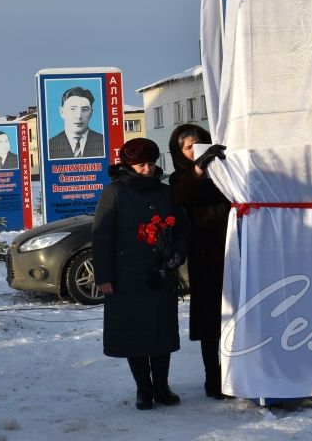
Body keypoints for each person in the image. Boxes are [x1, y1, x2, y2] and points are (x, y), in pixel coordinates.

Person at [92, 138, 189, 410]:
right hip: (127, 276)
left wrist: (176, 256)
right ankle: (143, 389)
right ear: (128, 165)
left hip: (160, 273)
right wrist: (104, 275)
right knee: (135, 333)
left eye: (150, 163)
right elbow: (102, 236)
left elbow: (182, 228)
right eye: (140, 164)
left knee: (161, 332)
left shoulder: (165, 192)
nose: (147, 169)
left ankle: (162, 387)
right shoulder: (114, 192)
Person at [168, 124, 230, 399]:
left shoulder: (227, 171)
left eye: (199, 143)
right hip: (206, 258)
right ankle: (212, 377)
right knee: (210, 322)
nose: (195, 150)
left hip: (234, 254)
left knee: (238, 317)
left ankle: (237, 371)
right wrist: (197, 170)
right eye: (188, 146)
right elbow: (182, 195)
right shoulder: (180, 178)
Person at [48, 86, 105, 159]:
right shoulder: (50, 146)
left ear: (91, 113)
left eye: (84, 109)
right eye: (72, 109)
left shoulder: (104, 143)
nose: (78, 116)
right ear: (62, 112)